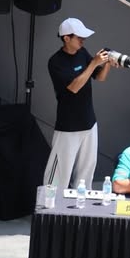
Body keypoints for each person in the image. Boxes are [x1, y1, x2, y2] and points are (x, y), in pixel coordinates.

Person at [43, 17, 114, 190]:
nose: (83, 40)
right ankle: (50, 204)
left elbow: (99, 77)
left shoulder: (82, 53)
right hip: (68, 126)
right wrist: (93, 63)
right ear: (66, 38)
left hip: (89, 123)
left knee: (86, 174)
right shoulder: (55, 61)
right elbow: (74, 87)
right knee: (59, 174)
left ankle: (80, 204)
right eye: (79, 37)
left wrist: (107, 64)